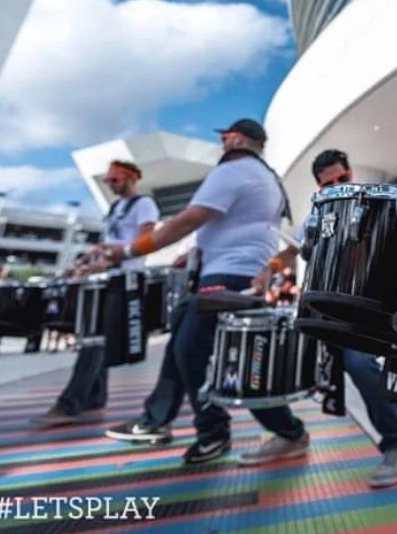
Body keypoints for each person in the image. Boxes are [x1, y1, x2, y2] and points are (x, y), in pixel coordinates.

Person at [103, 119, 310, 466]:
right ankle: (157, 421)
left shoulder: (233, 169)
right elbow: (238, 225)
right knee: (181, 348)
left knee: (196, 352)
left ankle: (253, 431)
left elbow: (189, 218)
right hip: (229, 272)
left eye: (226, 138)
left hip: (229, 276)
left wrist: (128, 251)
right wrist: (198, 252)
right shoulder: (265, 176)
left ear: (238, 139)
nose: (223, 144)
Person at [256, 148, 397, 488]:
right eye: (329, 183)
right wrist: (268, 270)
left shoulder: (375, 204)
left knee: (360, 365)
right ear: (319, 185)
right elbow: (291, 248)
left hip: (367, 306)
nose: (338, 185)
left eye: (343, 178)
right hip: (323, 306)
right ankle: (288, 433)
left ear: (350, 173)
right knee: (273, 355)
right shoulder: (318, 214)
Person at [32, 161, 160, 426]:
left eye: (115, 180)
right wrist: (96, 254)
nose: (110, 185)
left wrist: (113, 257)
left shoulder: (144, 204)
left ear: (132, 179)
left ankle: (70, 404)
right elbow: (114, 241)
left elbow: (146, 242)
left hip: (125, 277)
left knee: (95, 339)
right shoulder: (115, 208)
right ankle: (95, 395)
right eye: (108, 180)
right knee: (96, 337)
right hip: (105, 276)